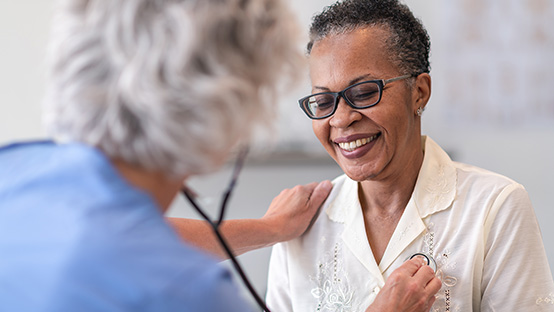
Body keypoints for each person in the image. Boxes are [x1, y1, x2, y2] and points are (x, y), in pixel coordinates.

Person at [0, 0, 332, 311]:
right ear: (224, 105)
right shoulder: (187, 293)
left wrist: (268, 228)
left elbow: (123, 239)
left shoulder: (12, 168)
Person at [266, 0, 554, 311]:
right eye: (323, 101)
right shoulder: (300, 226)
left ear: (419, 92)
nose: (340, 119)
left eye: (363, 93)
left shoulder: (494, 207)